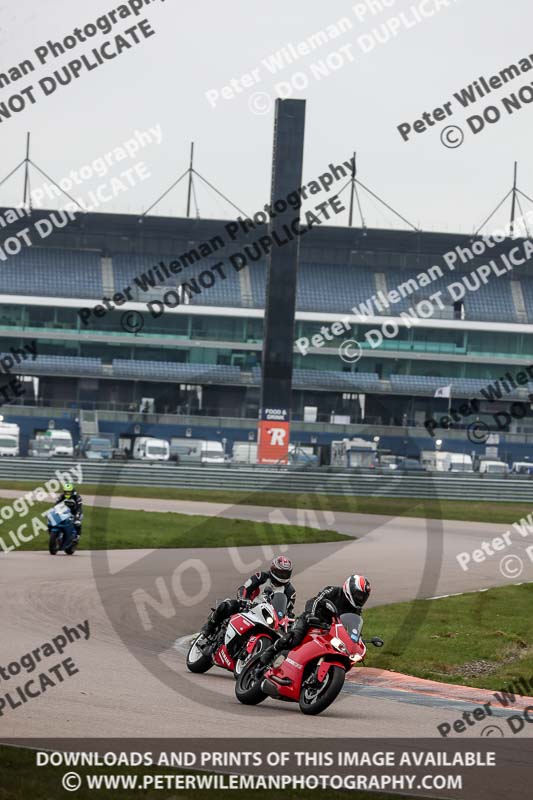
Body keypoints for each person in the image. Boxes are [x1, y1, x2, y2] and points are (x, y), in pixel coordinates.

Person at [259, 574, 371, 664]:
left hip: (329, 631)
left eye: (363, 597)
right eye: (358, 595)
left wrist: (356, 640)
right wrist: (310, 614)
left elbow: (354, 625)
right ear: (349, 588)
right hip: (311, 620)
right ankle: (270, 652)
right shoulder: (333, 591)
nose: (360, 599)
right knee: (294, 638)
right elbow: (315, 600)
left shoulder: (356, 610)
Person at [201, 555, 295, 637]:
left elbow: (288, 611)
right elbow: (244, 588)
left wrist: (288, 621)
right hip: (249, 607)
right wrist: (243, 599)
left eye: (285, 573)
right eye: (281, 573)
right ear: (273, 570)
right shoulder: (261, 576)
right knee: (226, 605)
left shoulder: (290, 591)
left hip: (267, 617)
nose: (283, 575)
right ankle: (208, 627)